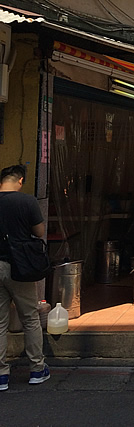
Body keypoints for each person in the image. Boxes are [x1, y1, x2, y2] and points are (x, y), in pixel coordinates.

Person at [0, 165, 50, 391]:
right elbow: (39, 232)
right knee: (30, 318)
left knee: (0, 323)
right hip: (20, 267)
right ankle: (37, 369)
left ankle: (1, 375)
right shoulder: (27, 201)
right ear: (20, 181)